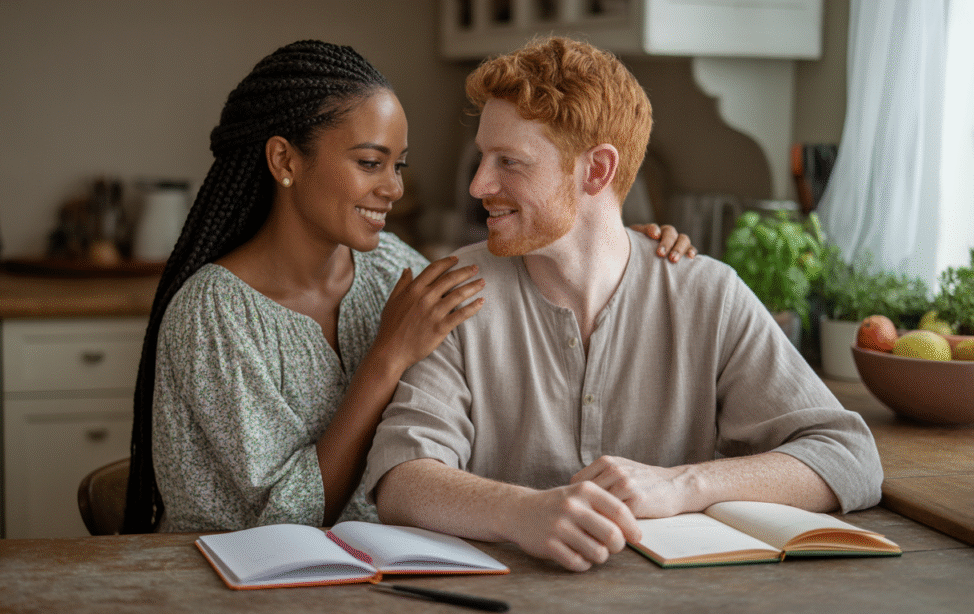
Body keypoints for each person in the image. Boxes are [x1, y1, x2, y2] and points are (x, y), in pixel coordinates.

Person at [122, 40, 694, 534]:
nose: (393, 189)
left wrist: (615, 241)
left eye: (399, 165)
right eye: (371, 163)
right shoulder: (213, 315)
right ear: (283, 160)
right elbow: (280, 526)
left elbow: (520, 281)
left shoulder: (392, 266)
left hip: (376, 583)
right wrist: (387, 357)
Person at [365, 37, 883, 572]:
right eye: (482, 157)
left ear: (596, 171)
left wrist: (681, 484)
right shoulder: (456, 293)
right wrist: (519, 511)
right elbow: (402, 480)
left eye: (509, 162)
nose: (479, 184)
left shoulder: (708, 294)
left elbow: (850, 458)